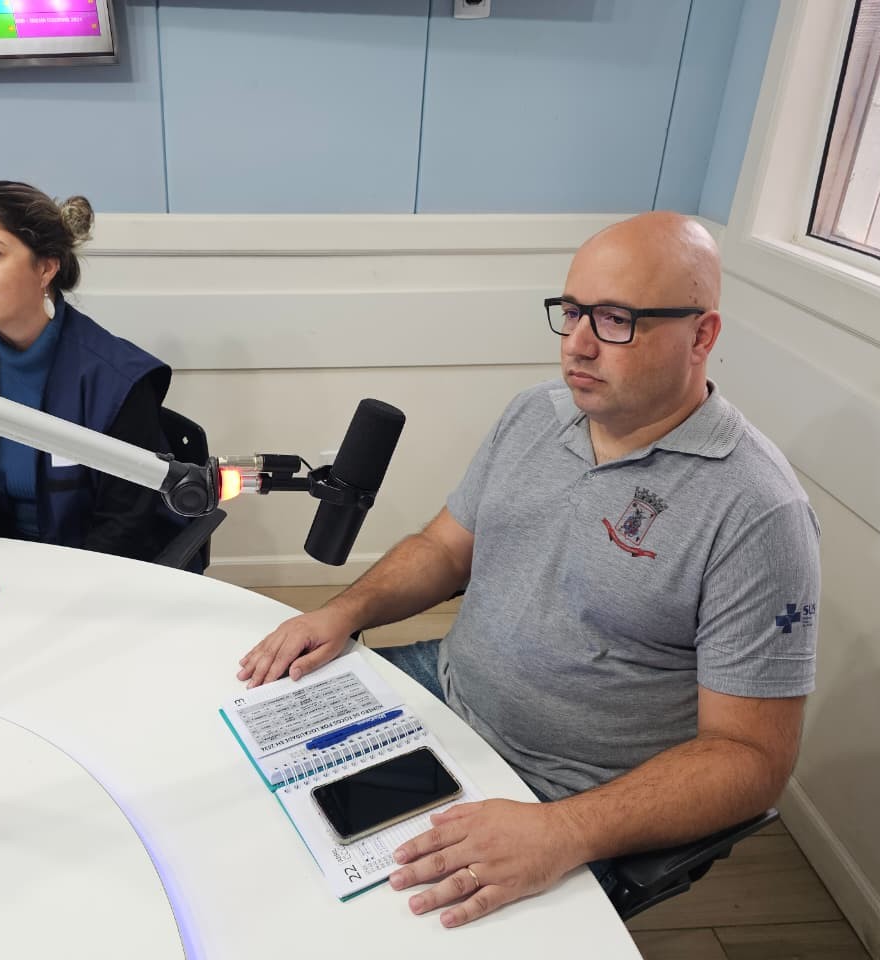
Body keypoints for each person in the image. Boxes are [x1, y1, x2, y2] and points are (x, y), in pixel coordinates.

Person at [237, 211, 820, 927]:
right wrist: (344, 612)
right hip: (445, 694)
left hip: (566, 795)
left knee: (372, 925)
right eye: (572, 312)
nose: (576, 345)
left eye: (614, 320)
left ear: (702, 335)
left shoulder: (759, 512)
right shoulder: (537, 415)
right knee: (259, 817)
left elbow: (751, 758)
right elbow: (447, 548)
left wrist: (565, 831)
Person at [0, 180, 186, 565]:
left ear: (45, 268)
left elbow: (125, 527)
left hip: (91, 575)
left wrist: (52, 591)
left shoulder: (118, 379)